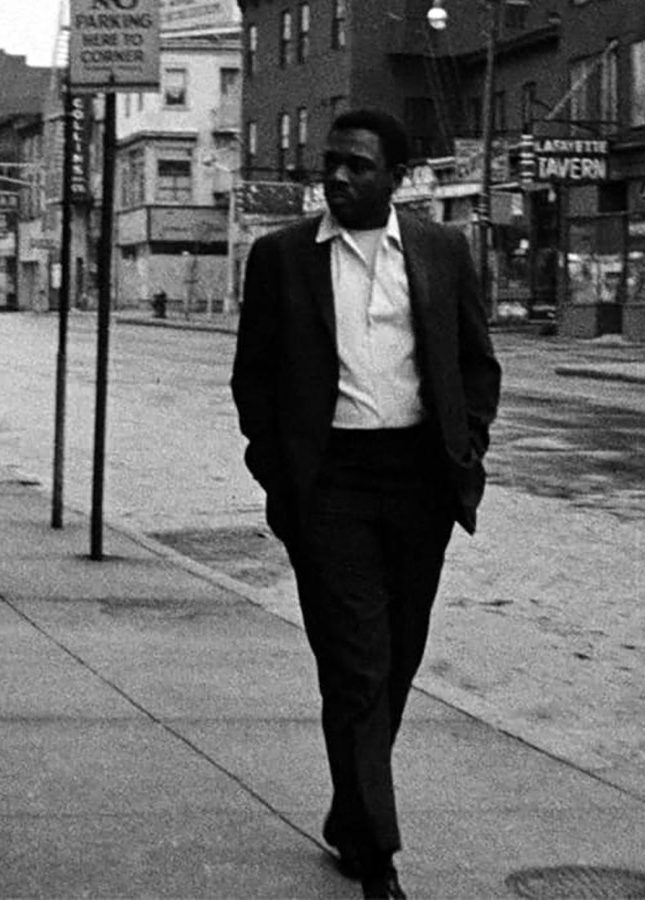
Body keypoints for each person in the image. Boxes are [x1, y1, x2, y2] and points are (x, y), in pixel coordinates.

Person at [231, 108, 501, 899]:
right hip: (331, 485)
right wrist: (279, 473)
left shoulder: (441, 250)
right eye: (332, 163)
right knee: (357, 664)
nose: (338, 176)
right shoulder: (282, 257)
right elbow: (254, 378)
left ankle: (351, 814)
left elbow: (475, 362)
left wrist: (466, 447)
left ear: (397, 178)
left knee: (397, 661)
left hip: (419, 480)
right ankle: (377, 858)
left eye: (358, 165)